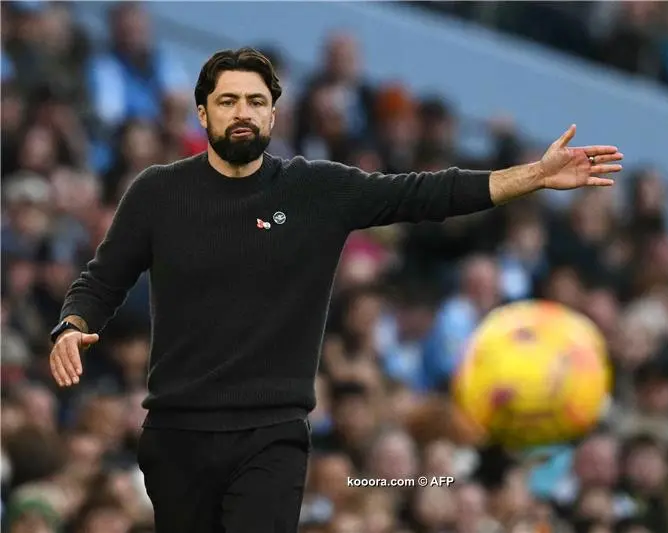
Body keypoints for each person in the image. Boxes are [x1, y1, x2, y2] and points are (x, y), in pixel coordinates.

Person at [47, 47, 623, 533]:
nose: (242, 113)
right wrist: (72, 326)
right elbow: (103, 277)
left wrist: (534, 177)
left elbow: (424, 194)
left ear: (274, 114)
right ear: (202, 112)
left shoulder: (315, 190)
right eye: (227, 101)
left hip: (269, 434)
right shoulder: (158, 193)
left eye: (255, 101)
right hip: (175, 433)